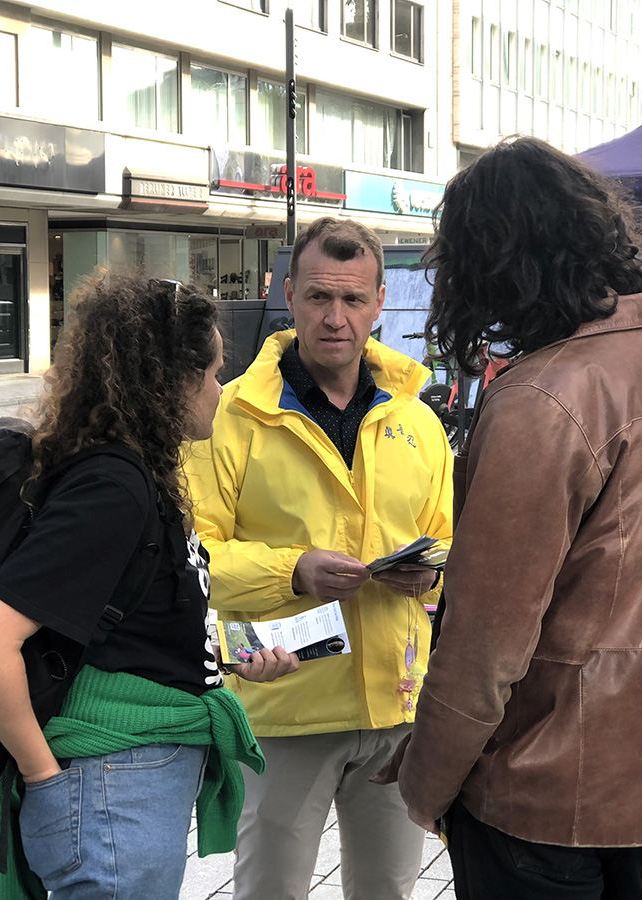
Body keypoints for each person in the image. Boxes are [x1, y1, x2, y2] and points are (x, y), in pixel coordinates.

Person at [376, 137, 642, 900]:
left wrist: (427, 780)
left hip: (537, 789)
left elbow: (488, 638)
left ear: (495, 264)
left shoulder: (542, 396)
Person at [0, 272, 299, 900]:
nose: (220, 391)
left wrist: (226, 661)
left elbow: (127, 620)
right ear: (172, 380)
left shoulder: (133, 472)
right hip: (110, 786)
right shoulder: (114, 484)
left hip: (127, 783)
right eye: (215, 372)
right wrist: (46, 779)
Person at [186, 216, 454, 900]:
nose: (336, 318)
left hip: (397, 708)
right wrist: (294, 570)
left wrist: (430, 574)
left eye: (353, 300)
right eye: (318, 297)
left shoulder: (418, 420)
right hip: (283, 704)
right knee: (271, 892)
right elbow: (193, 560)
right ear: (288, 293)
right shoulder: (230, 416)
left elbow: (448, 544)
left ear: (379, 304)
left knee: (388, 892)